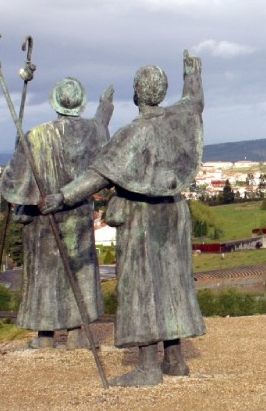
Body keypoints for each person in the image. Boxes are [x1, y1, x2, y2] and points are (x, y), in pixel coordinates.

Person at [42, 51, 206, 387]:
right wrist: (191, 73)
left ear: (135, 96)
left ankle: (147, 367)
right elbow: (195, 100)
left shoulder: (133, 134)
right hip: (174, 212)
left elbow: (96, 176)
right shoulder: (180, 118)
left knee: (142, 286)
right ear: (162, 93)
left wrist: (62, 197)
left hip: (141, 217)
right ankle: (174, 359)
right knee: (172, 283)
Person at [0, 78, 113, 349]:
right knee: (80, 272)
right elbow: (101, 126)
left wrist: (19, 146)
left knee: (44, 275)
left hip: (43, 217)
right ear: (80, 103)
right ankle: (78, 332)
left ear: (55, 102)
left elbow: (14, 186)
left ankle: (45, 336)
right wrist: (105, 106)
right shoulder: (94, 131)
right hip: (79, 213)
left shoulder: (36, 136)